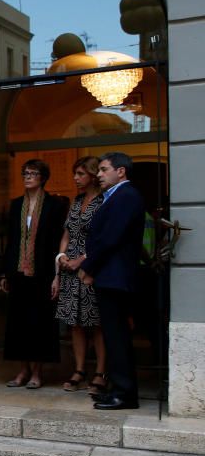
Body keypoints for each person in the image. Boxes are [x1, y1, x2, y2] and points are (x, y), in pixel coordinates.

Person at [80, 152, 145, 410]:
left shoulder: (126, 196)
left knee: (117, 337)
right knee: (113, 336)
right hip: (111, 276)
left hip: (115, 277)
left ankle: (124, 393)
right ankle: (118, 388)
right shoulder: (117, 196)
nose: (99, 174)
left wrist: (88, 267)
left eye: (104, 169)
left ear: (121, 172)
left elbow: (110, 238)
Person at [0, 159, 67, 389]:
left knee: (40, 324)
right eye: (25, 173)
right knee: (18, 324)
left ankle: (37, 372)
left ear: (43, 177)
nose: (27, 177)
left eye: (33, 173)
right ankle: (22, 371)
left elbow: (59, 242)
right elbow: (11, 241)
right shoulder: (16, 204)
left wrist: (57, 275)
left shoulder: (54, 205)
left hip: (43, 273)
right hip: (18, 273)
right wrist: (4, 273)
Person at [53, 156, 107, 393]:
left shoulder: (104, 202)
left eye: (80, 174)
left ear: (93, 175)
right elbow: (67, 233)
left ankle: (100, 372)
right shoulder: (76, 201)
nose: (75, 178)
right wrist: (61, 257)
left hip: (91, 267)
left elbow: (104, 239)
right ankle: (79, 369)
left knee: (96, 323)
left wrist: (80, 260)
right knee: (74, 323)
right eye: (75, 173)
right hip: (68, 270)